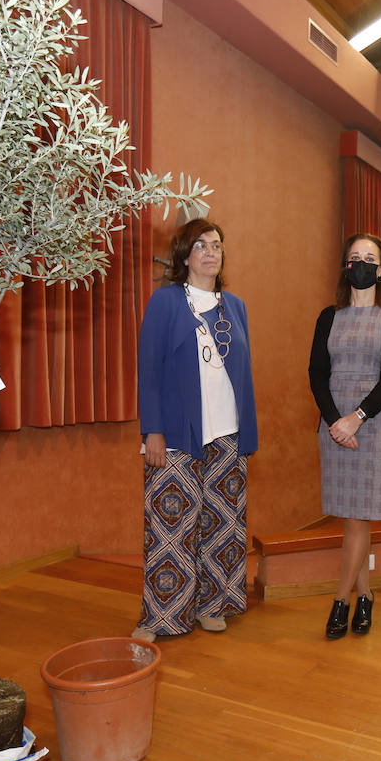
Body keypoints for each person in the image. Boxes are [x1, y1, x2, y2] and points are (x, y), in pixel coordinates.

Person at [133, 218, 258, 643]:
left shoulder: (235, 306)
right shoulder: (166, 302)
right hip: (176, 435)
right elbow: (148, 372)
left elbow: (243, 376)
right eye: (201, 245)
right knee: (171, 527)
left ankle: (212, 604)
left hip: (228, 435)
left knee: (222, 523)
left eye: (217, 245)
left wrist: (247, 434)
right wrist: (152, 431)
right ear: (185, 256)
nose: (210, 252)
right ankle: (161, 617)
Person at [308, 233, 381, 639]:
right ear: (345, 266)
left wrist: (356, 418)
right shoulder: (328, 316)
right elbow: (317, 374)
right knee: (352, 519)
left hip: (374, 425)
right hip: (334, 427)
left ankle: (340, 600)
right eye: (355, 258)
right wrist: (336, 421)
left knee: (357, 519)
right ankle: (365, 594)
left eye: (370, 259)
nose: (362, 264)